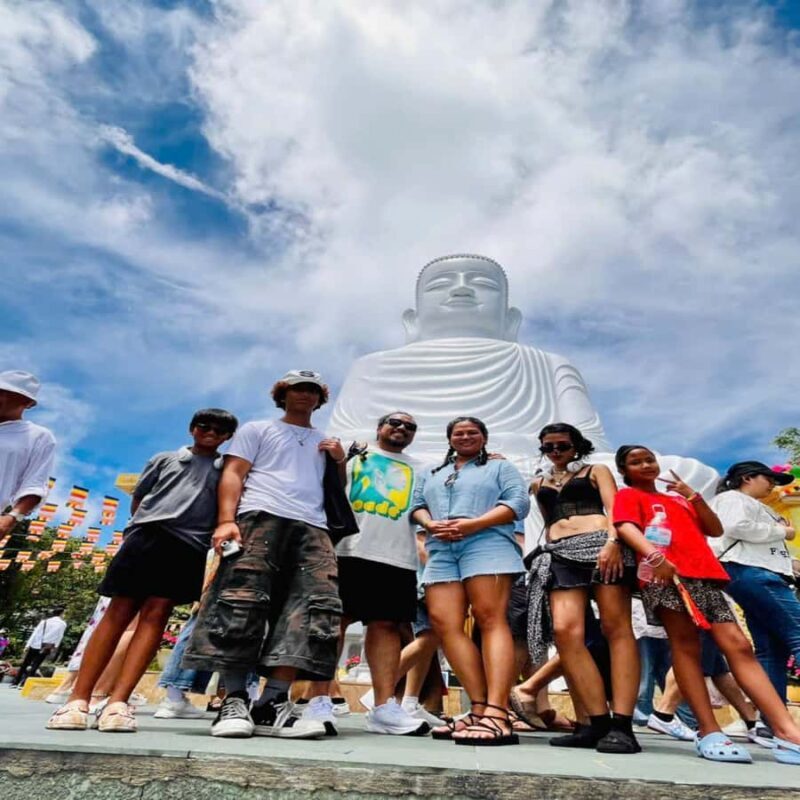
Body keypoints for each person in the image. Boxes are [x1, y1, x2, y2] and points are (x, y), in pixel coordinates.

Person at [183, 371, 354, 740]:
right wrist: (226, 520)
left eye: (312, 390)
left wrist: (339, 461)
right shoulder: (258, 429)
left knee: (313, 607)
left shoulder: (325, 440)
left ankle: (272, 700)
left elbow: (335, 489)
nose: (305, 395)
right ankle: (234, 698)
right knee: (240, 600)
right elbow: (234, 472)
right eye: (297, 389)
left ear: (320, 399)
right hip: (260, 514)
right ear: (282, 394)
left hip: (313, 524)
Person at [46, 408, 238, 732]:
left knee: (157, 614)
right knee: (118, 611)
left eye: (220, 430)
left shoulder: (227, 470)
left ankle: (118, 701)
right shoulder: (165, 459)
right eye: (205, 426)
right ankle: (78, 699)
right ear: (192, 428)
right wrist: (141, 527)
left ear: (228, 437)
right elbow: (140, 498)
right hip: (148, 536)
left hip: (189, 546)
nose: (211, 433)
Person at [613, 445, 800, 765]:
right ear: (623, 470)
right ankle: (709, 730)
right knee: (686, 647)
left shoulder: (679, 499)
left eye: (649, 459)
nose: (645, 465)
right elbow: (625, 526)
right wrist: (654, 555)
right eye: (635, 462)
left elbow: (714, 529)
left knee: (738, 645)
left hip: (706, 575)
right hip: (666, 575)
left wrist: (693, 496)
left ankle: (786, 731)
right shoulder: (629, 495)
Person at [411, 416, 530, 746]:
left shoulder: (500, 467)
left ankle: (498, 711)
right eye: (458, 433)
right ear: (449, 438)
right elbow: (417, 505)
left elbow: (518, 503)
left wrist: (474, 524)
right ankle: (478, 707)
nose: (465, 437)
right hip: (441, 546)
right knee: (443, 623)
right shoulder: (431, 472)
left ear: (484, 437)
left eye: (472, 432)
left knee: (490, 618)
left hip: (486, 541)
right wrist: (430, 525)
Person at [310, 413, 429, 735]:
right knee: (334, 623)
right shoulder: (352, 454)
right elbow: (328, 488)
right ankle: (319, 701)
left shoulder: (422, 468)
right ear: (379, 427)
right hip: (346, 549)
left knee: (386, 626)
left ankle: (383, 707)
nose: (401, 428)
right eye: (395, 423)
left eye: (410, 426)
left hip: (397, 556)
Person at [525, 423, 640, 753]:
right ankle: (595, 722)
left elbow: (614, 508)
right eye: (548, 446)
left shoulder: (596, 470)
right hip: (560, 553)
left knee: (616, 628)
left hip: (601, 545)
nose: (555, 451)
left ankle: (623, 724)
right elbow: (548, 520)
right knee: (565, 632)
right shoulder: (539, 482)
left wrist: (614, 542)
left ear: (576, 446)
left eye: (562, 445)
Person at [709, 461, 799, 711]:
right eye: (769, 479)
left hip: (753, 572)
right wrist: (783, 532)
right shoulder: (733, 498)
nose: (772, 485)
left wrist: (790, 562)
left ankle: (771, 723)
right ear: (748, 478)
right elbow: (736, 527)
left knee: (771, 651)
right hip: (752, 572)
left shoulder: (754, 505)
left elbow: (760, 546)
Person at [0, 370, 56, 537]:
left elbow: (34, 484)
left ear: (27, 402)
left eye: (7, 394)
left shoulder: (38, 436)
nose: (0, 397)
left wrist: (12, 518)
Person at [12, 606, 67, 687]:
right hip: (46, 647)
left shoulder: (45, 621)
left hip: (35, 644)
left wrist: (27, 645)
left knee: (25, 663)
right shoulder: (62, 624)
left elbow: (35, 633)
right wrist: (55, 646)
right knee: (35, 665)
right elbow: (59, 636)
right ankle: (24, 684)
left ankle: (15, 682)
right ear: (61, 613)